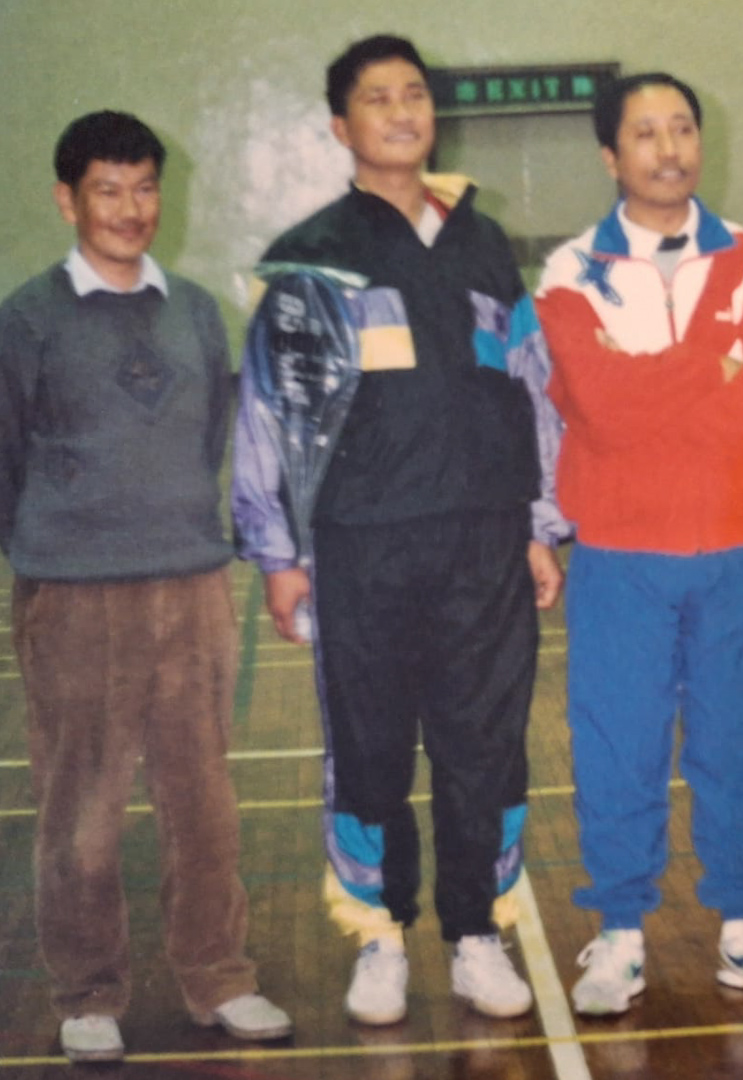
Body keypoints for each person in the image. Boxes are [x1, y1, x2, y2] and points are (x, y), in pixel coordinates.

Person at [232, 34, 567, 1024]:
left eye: (414, 93)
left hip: (484, 541)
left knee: (485, 745)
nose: (401, 111)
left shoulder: (484, 242)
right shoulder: (312, 255)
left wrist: (539, 522)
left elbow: (530, 385)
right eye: (377, 99)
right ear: (342, 127)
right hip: (361, 541)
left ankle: (475, 932)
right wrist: (277, 552)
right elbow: (268, 409)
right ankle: (379, 935)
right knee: (369, 748)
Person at [0, 111, 292, 1063]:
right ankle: (88, 990)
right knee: (80, 811)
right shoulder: (27, 319)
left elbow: (209, 440)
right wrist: (51, 554)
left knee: (203, 802)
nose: (130, 210)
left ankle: (220, 976)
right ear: (67, 200)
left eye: (145, 188)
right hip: (73, 596)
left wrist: (181, 536)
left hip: (192, 588)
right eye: (108, 191)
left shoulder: (197, 310)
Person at [534, 72, 743, 1013]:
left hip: (738, 551)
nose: (669, 149)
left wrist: (657, 379)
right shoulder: (572, 271)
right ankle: (619, 934)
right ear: (610, 156)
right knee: (619, 745)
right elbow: (601, 409)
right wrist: (716, 363)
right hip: (620, 555)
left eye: (683, 128)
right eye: (646, 133)